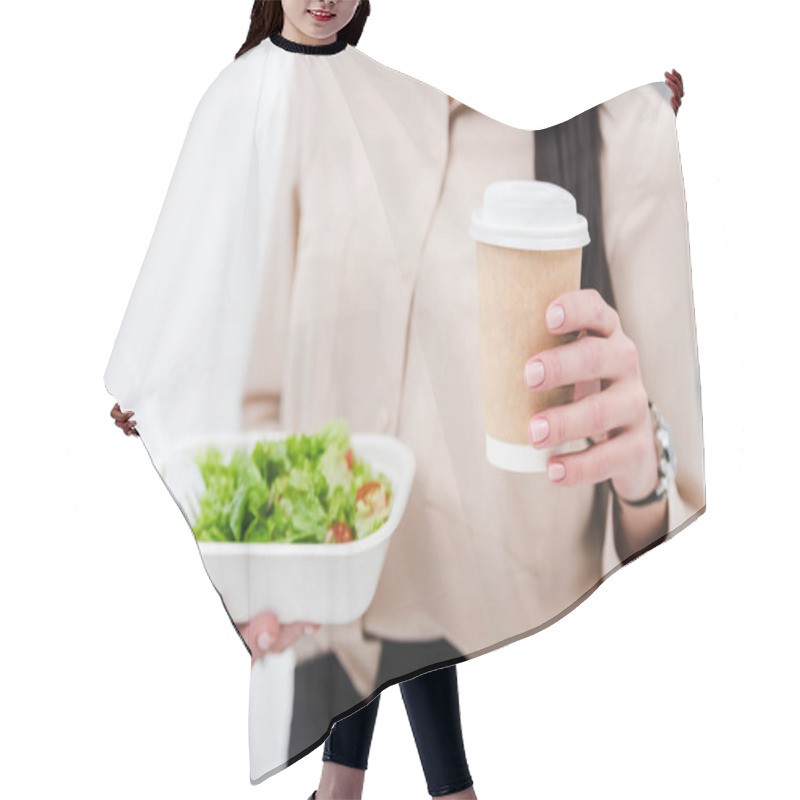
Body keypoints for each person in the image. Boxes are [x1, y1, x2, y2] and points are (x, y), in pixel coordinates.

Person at [109, 0, 700, 796]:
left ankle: (358, 789)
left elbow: (498, 167)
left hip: (390, 389)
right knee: (362, 601)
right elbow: (195, 245)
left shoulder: (379, 90)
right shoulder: (238, 94)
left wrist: (637, 122)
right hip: (296, 408)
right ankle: (414, 789)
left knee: (412, 588)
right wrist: (147, 374)